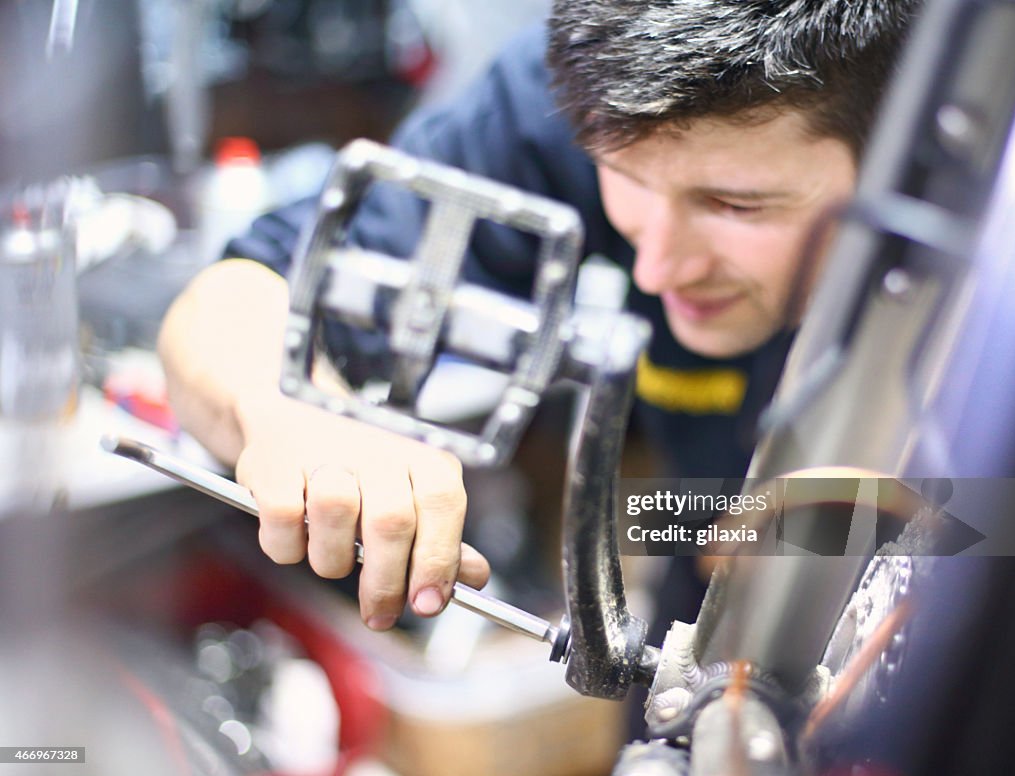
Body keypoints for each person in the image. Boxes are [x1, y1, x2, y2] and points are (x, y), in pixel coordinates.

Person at [158, 0, 920, 643]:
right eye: (620, 178)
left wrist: (939, 528)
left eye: (735, 205)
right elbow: (233, 297)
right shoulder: (596, 87)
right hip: (709, 609)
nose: (656, 268)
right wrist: (293, 421)